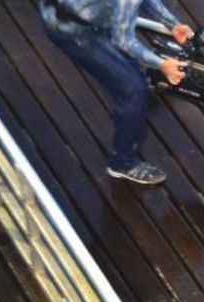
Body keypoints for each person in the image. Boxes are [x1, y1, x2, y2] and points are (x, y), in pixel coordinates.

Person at [39, 0, 192, 185]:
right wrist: (162, 65)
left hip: (59, 11)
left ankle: (127, 86)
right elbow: (123, 41)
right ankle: (123, 163)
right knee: (134, 91)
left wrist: (172, 23)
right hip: (75, 32)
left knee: (128, 69)